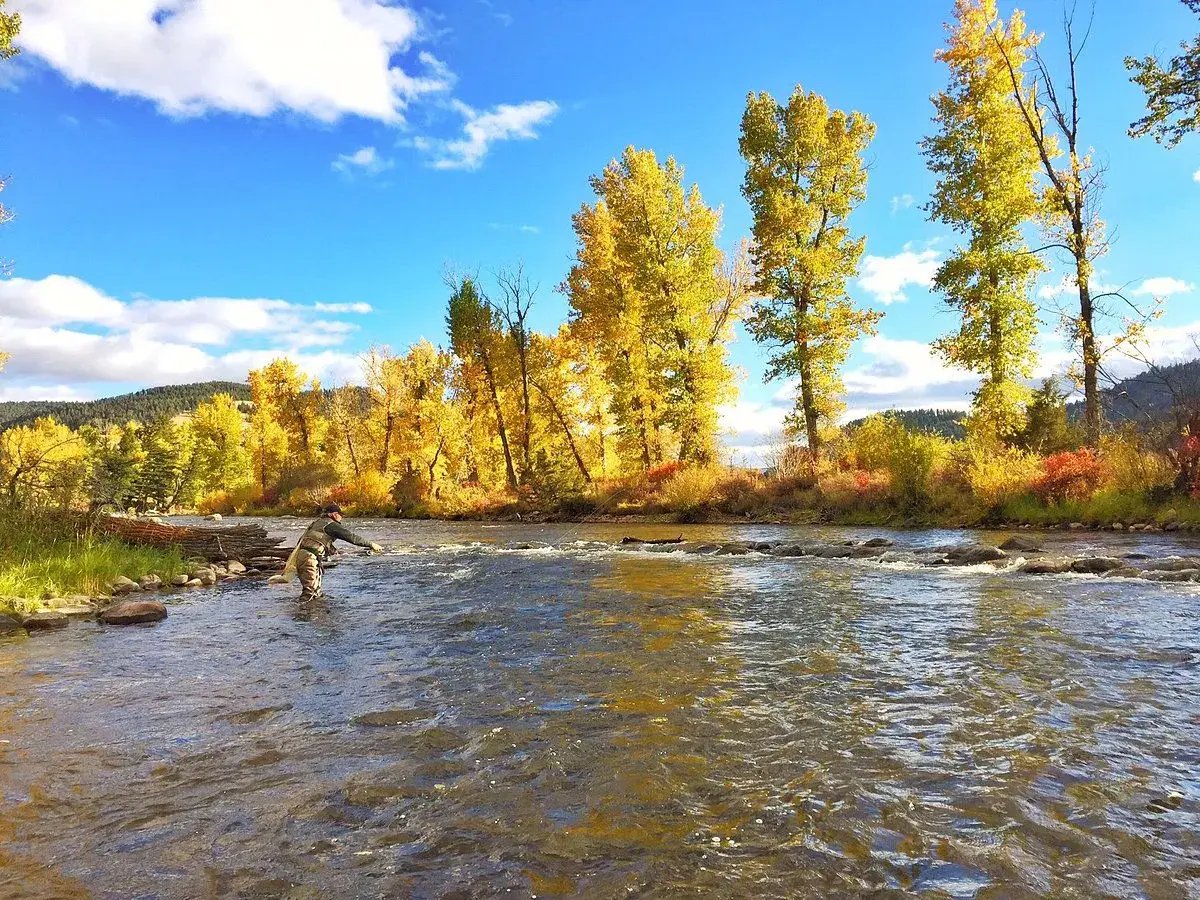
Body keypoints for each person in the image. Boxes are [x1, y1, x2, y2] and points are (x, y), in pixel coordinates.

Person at [292, 503, 383, 601]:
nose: (341, 518)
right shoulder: (331, 525)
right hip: (310, 558)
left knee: (315, 592)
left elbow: (311, 540)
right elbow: (351, 537)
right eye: (341, 515)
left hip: (303, 556)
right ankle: (304, 613)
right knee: (310, 593)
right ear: (334, 514)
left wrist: (332, 550)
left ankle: (312, 613)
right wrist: (371, 544)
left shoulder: (316, 523)